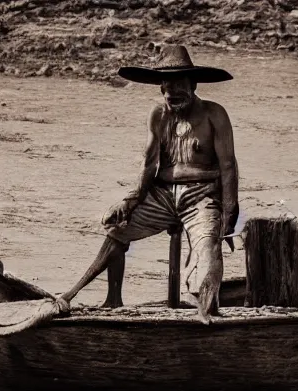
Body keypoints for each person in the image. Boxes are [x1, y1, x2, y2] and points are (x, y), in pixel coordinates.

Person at [58, 44, 239, 323]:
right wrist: (131, 200)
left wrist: (229, 212)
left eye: (180, 85)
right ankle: (112, 300)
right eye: (167, 86)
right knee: (116, 227)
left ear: (193, 85)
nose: (173, 93)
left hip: (201, 196)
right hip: (162, 194)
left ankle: (207, 314)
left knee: (207, 247)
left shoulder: (215, 114)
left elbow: (228, 166)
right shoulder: (158, 115)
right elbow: (149, 163)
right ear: (160, 88)